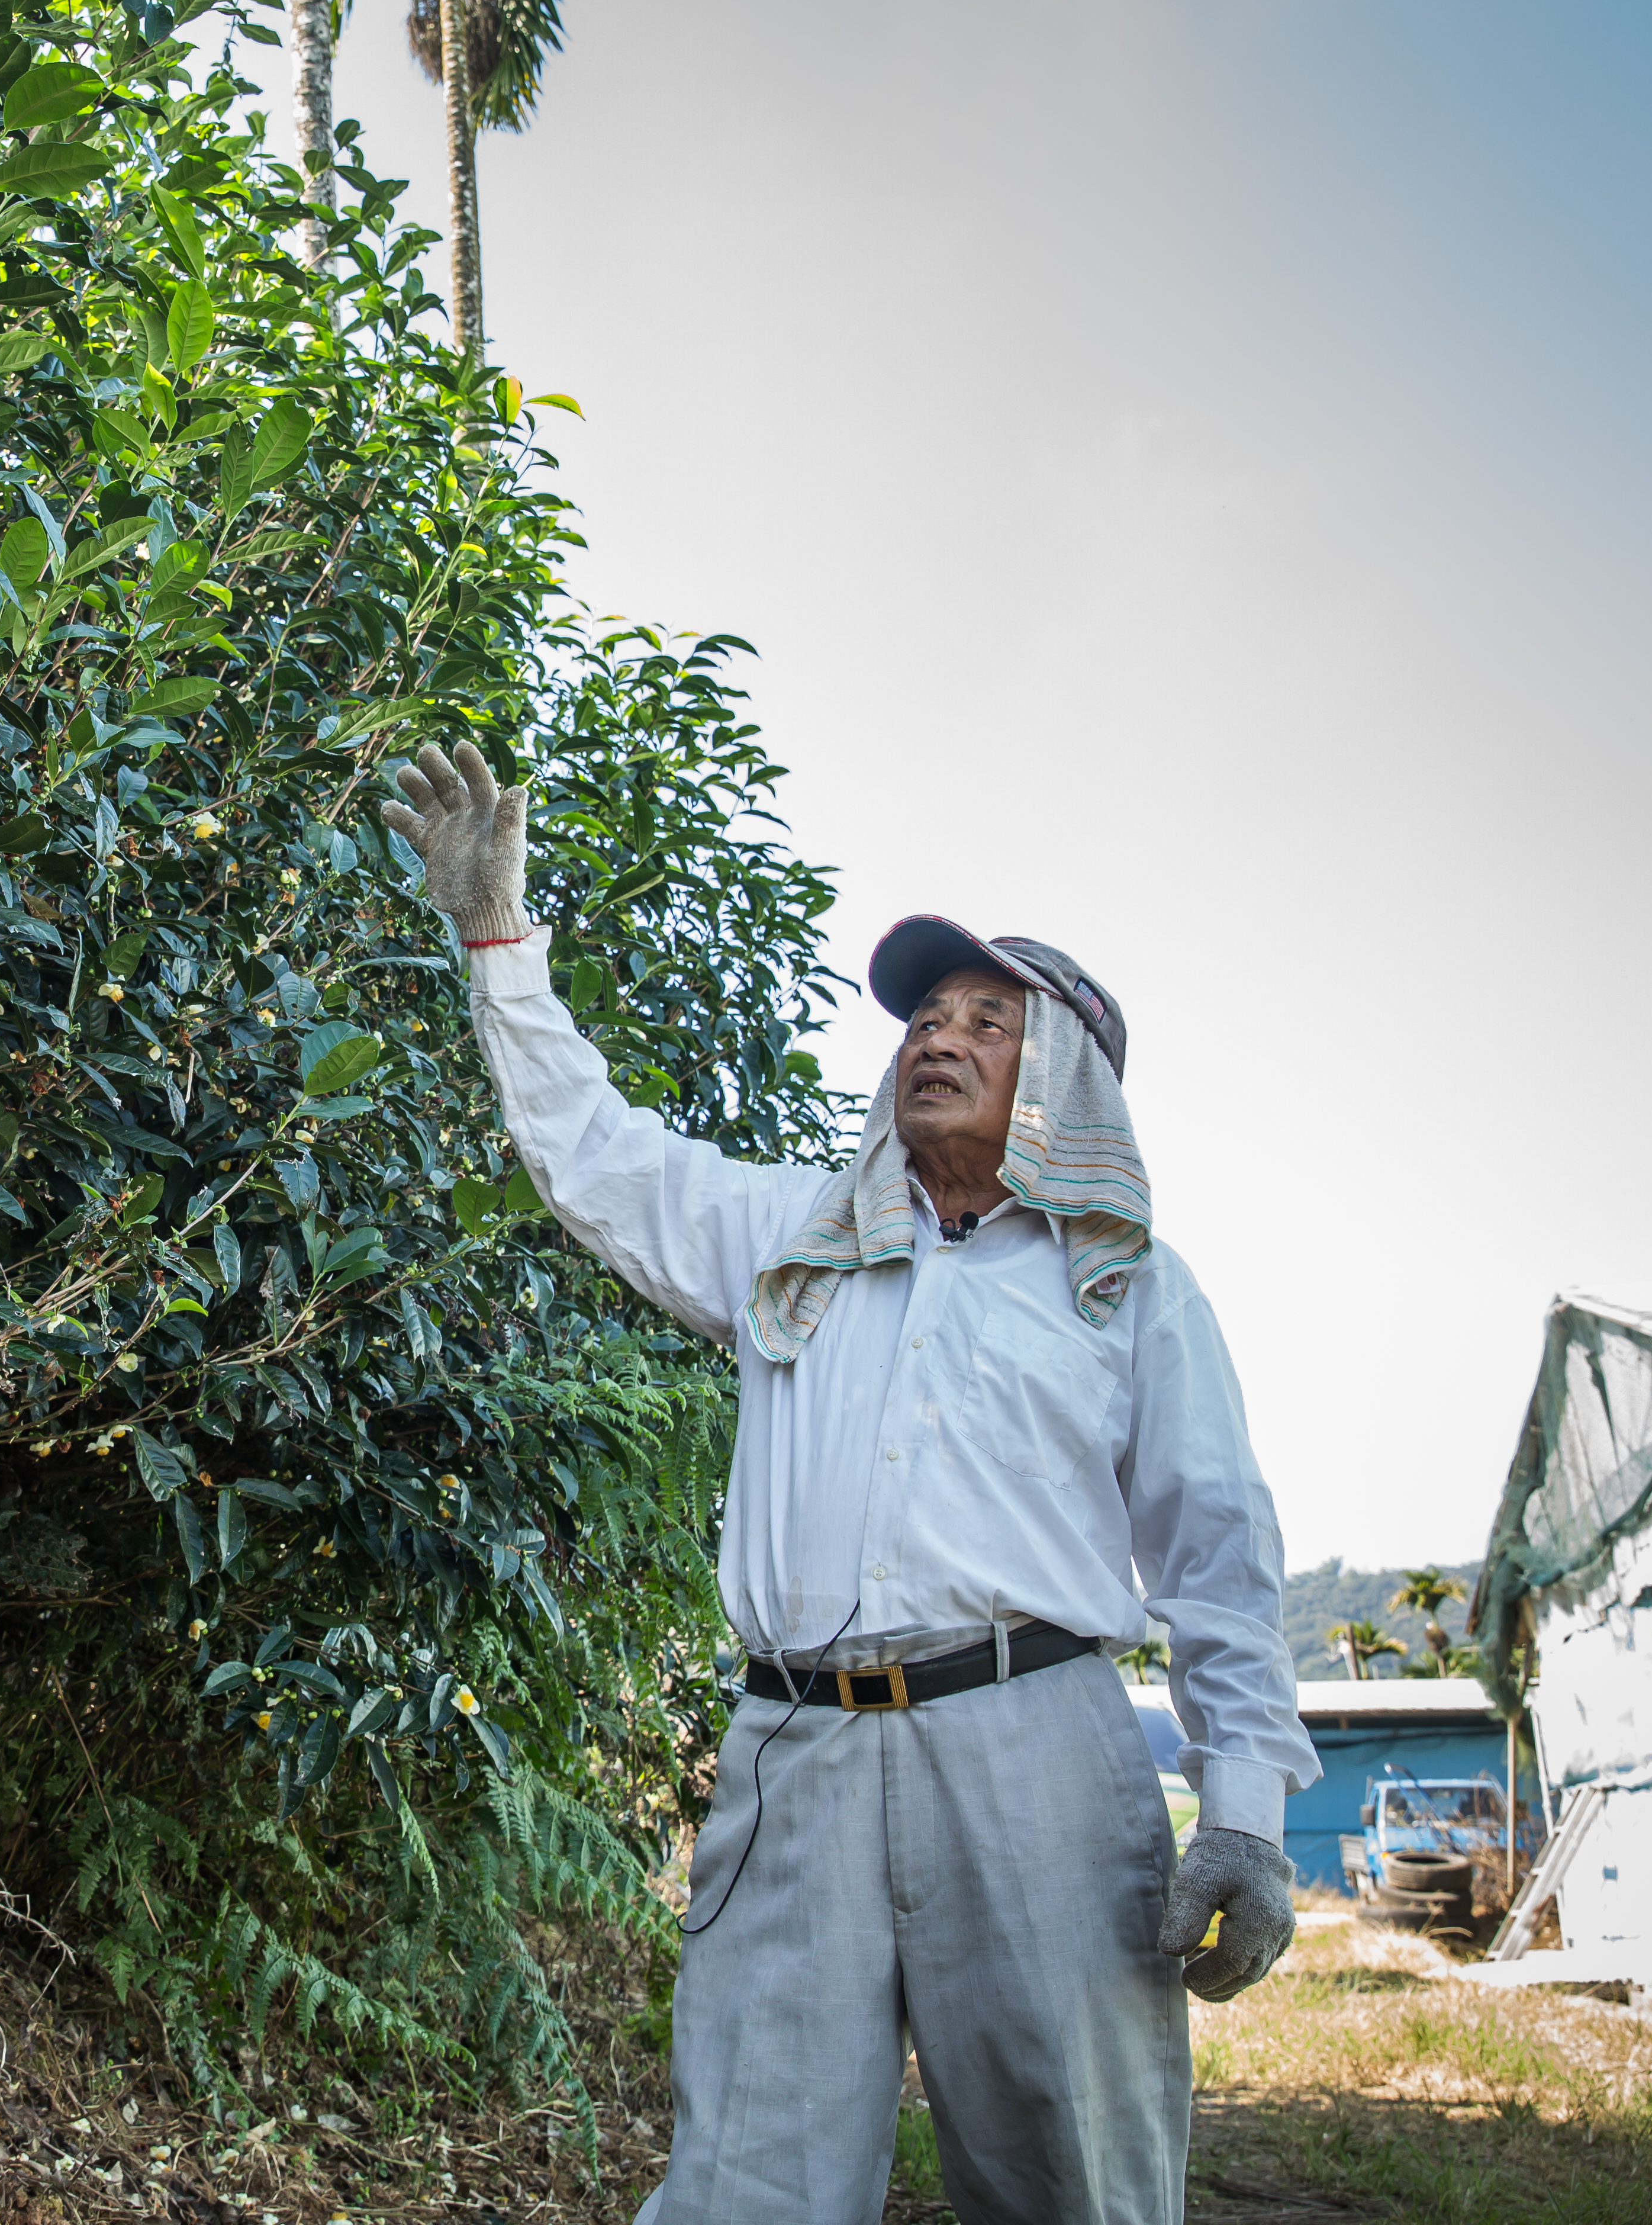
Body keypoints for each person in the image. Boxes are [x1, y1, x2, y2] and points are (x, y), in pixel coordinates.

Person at [376, 741, 1316, 2225]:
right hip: (794, 1754)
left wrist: (1246, 1813)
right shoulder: (793, 1237)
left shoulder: (1132, 1292)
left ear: (1066, 1079)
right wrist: (498, 939)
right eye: (925, 1020)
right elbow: (598, 1158)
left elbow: (1219, 1559)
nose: (937, 1039)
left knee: (1075, 2177)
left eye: (988, 1022)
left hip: (1037, 1757)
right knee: (745, 2182)